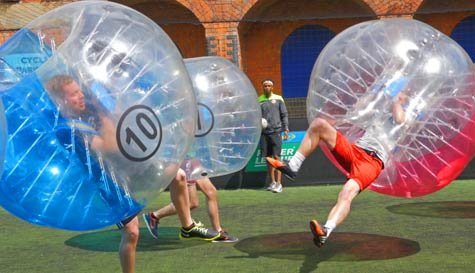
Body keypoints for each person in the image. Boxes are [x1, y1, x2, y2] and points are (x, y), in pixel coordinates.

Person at [46, 75, 219, 273]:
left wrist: (117, 100)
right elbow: (110, 146)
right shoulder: (68, 129)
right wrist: (102, 111)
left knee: (178, 175)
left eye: (80, 90)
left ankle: (188, 227)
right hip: (107, 182)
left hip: (125, 167)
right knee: (132, 232)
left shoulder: (85, 114)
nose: (81, 96)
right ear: (61, 100)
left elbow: (121, 119)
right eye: (74, 93)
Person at [267, 92, 408, 247]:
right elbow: (359, 109)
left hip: (372, 163)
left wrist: (396, 100)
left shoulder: (407, 117)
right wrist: (376, 95)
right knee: (319, 124)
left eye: (403, 93)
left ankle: (325, 231)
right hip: (356, 151)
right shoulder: (380, 111)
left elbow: (399, 119)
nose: (399, 93)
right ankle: (293, 167)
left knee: (346, 193)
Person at [142, 176, 238, 243]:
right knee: (194, 201)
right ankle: (218, 232)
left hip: (194, 161)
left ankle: (154, 216)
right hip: (186, 163)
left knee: (208, 193)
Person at [259, 79, 289, 193]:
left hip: (276, 132)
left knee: (277, 157)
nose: (266, 87)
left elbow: (284, 115)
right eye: (265, 86)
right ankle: (272, 183)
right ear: (263, 88)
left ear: (272, 87)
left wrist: (286, 129)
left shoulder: (278, 99)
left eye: (268, 86)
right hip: (264, 133)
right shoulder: (259, 100)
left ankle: (279, 184)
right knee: (268, 159)